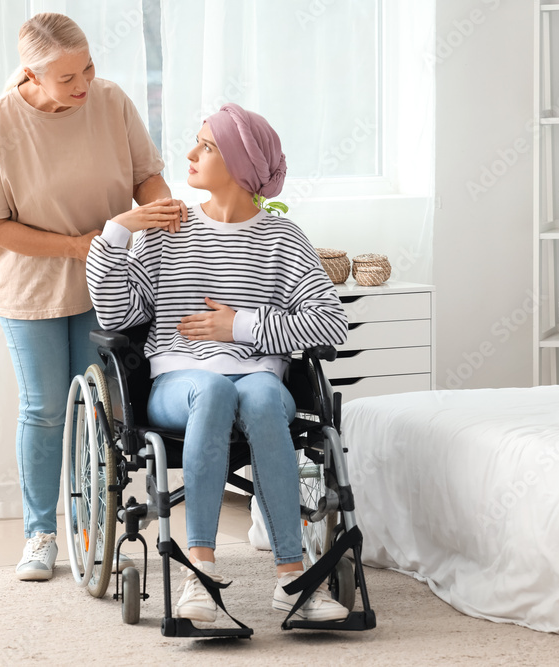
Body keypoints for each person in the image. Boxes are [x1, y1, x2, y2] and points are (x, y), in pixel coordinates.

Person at [86, 103, 350, 622]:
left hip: (256, 380)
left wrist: (241, 327)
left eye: (205, 145)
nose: (190, 153)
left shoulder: (282, 239)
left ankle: (292, 577)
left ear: (237, 161)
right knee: (215, 389)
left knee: (257, 392)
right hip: (180, 384)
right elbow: (119, 310)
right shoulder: (169, 232)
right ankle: (199, 575)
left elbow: (330, 323)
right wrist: (117, 231)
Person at [0, 12, 185, 581]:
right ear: (33, 76)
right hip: (31, 286)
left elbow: (147, 176)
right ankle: (40, 534)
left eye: (88, 66)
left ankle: (90, 523)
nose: (84, 84)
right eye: (68, 78)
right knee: (43, 409)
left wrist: (157, 209)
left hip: (106, 281)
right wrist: (76, 246)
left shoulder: (110, 102)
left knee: (98, 413)